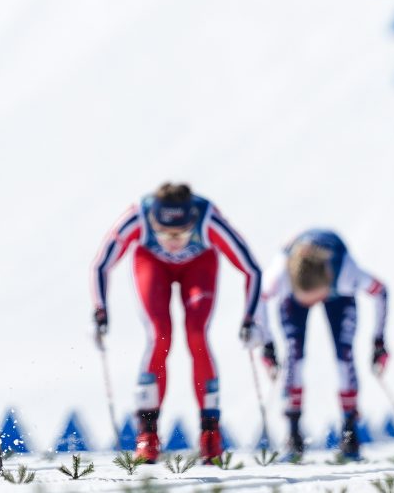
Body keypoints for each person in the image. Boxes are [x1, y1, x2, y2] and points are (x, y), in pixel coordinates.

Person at [90, 183, 265, 464]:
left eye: (182, 233)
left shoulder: (208, 219)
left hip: (199, 265)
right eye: (163, 233)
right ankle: (147, 434)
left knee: (197, 335)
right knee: (159, 336)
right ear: (153, 222)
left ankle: (210, 433)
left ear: (192, 222)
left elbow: (252, 269)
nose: (173, 241)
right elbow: (101, 264)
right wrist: (100, 311)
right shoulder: (137, 216)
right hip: (152, 264)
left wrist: (250, 318)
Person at [256, 229, 389, 461]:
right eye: (308, 300)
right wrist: (268, 345)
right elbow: (259, 299)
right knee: (294, 354)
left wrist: (379, 342)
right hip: (294, 294)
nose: (314, 304)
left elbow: (381, 292)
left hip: (338, 294)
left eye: (317, 297)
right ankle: (293, 431)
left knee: (344, 355)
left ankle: (349, 429)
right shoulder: (279, 276)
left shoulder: (347, 273)